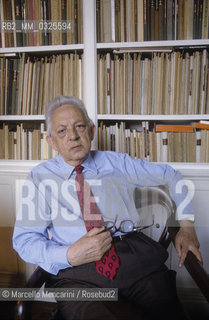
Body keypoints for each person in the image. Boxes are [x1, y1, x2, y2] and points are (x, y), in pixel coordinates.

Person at [13, 95, 202, 320]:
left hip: (135, 261)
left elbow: (172, 176)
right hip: (76, 274)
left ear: (91, 131)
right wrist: (68, 254)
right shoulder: (39, 179)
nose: (73, 136)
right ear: (51, 141)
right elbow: (25, 241)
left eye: (79, 126)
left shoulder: (117, 163)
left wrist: (187, 225)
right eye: (62, 131)